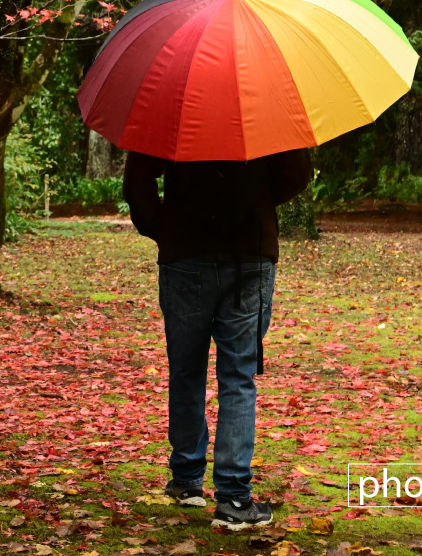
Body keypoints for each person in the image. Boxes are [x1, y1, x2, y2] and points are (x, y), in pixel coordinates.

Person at [123, 148, 313, 531]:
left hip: (187, 254)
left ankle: (188, 478)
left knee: (186, 370)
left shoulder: (172, 99)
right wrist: (252, 200)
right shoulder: (268, 98)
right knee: (238, 377)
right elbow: (296, 174)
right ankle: (232, 496)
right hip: (248, 250)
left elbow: (137, 180)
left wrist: (164, 225)